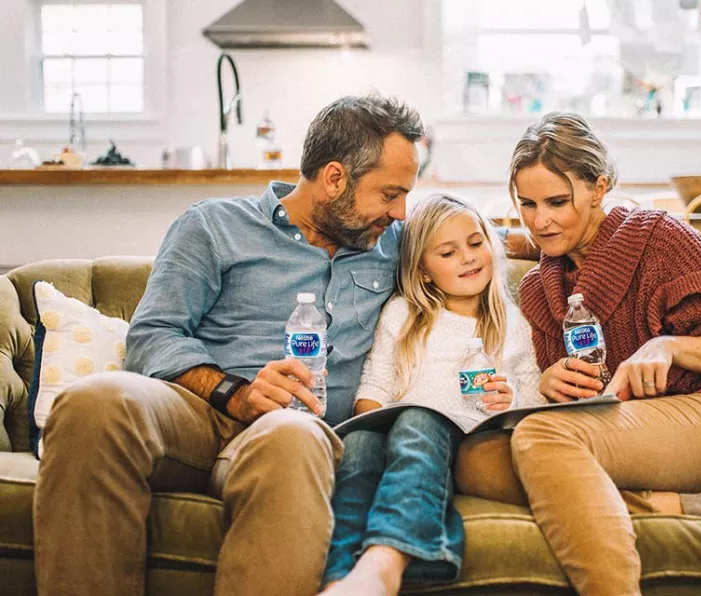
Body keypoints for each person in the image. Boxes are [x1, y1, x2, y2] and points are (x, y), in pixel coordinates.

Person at [33, 94, 425, 596]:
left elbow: (474, 245)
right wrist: (234, 393)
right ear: (334, 178)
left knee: (293, 433)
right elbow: (153, 336)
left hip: (294, 431)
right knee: (94, 401)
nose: (400, 211)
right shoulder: (213, 226)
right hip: (197, 412)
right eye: (390, 193)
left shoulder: (396, 244)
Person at [459, 112, 701, 596]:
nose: (540, 220)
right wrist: (546, 383)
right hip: (636, 435)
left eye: (557, 202)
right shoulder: (539, 288)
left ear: (598, 188)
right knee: (472, 459)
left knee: (542, 439)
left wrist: (669, 345)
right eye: (527, 203)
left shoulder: (660, 237)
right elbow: (564, 402)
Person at [320, 194, 545, 596]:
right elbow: (375, 385)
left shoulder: (512, 322)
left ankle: (387, 563)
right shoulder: (403, 314)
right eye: (448, 251)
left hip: (467, 441)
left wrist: (509, 398)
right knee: (358, 445)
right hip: (397, 434)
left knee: (418, 421)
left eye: (476, 243)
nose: (468, 257)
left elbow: (533, 394)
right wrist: (369, 420)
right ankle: (340, 578)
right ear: (423, 271)